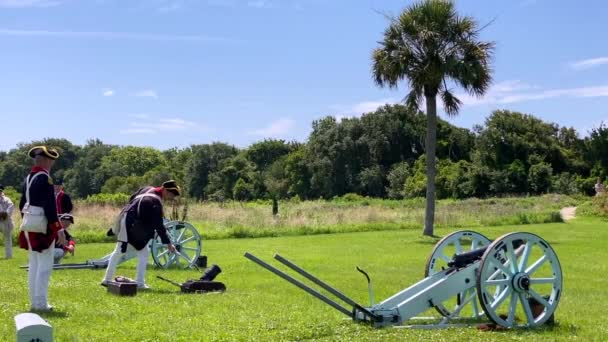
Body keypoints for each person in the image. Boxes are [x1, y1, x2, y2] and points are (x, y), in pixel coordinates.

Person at [101, 180, 179, 289]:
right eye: (171, 194)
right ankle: (138, 283)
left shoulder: (146, 189)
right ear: (165, 190)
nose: (171, 197)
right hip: (133, 224)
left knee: (123, 251)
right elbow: (159, 225)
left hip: (126, 218)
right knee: (133, 252)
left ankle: (108, 279)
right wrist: (168, 243)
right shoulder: (156, 202)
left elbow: (131, 199)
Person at [18, 146, 68, 311]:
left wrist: (27, 221)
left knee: (34, 264)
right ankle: (40, 303)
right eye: (51, 161)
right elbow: (50, 208)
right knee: (45, 266)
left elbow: (21, 204)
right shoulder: (45, 178)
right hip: (42, 225)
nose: (52, 164)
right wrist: (58, 229)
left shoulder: (29, 177)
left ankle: (35, 301)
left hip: (29, 223)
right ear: (46, 160)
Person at [0, 185, 15, 259]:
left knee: (8, 239)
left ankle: (8, 256)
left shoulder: (6, 199)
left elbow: (11, 206)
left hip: (5, 221)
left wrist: (6, 214)